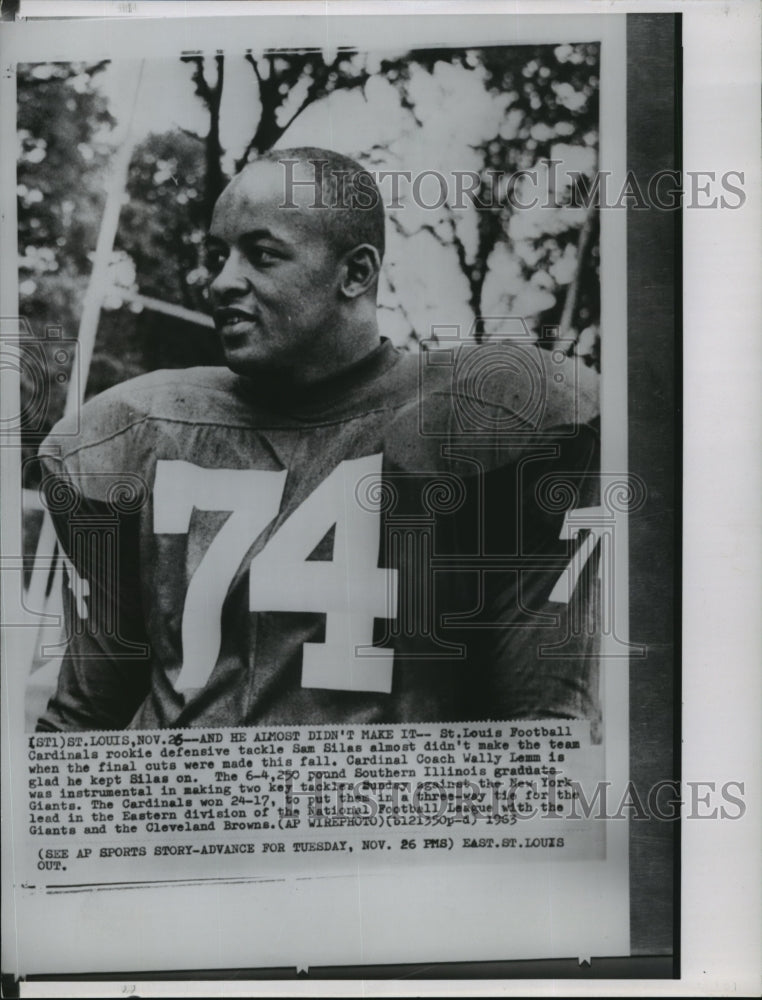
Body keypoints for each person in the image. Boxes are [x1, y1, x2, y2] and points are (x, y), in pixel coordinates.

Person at [36, 147, 601, 732]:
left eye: (262, 254)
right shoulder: (137, 429)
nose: (222, 280)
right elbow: (82, 719)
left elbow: (543, 732)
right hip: (172, 815)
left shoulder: (488, 420)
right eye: (217, 255)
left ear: (355, 273)